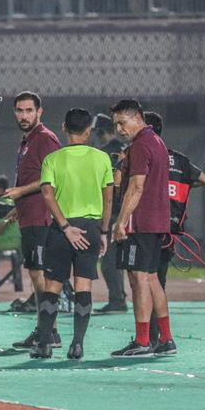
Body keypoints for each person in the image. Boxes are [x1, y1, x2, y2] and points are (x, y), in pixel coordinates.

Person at [30, 108, 113, 360]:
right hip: (90, 227)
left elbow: (47, 194)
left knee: (53, 286)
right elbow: (109, 199)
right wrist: (104, 231)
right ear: (89, 131)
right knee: (83, 285)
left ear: (64, 128)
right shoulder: (102, 159)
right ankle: (77, 344)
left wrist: (65, 226)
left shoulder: (52, 159)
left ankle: (44, 344)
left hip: (60, 228)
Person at [110, 99, 176, 358]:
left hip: (140, 222)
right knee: (151, 279)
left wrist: (121, 221)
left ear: (137, 117)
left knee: (138, 280)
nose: (118, 129)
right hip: (157, 221)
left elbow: (136, 187)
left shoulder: (140, 146)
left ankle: (142, 340)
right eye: (116, 124)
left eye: (121, 122)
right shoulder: (157, 142)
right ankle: (166, 339)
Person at [2, 91, 62, 350]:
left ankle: (47, 332)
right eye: (19, 110)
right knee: (36, 276)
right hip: (29, 214)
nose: (23, 115)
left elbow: (55, 178)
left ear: (40, 112)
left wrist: (20, 192)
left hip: (42, 217)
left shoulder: (45, 139)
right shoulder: (27, 140)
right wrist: (19, 205)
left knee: (41, 277)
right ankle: (47, 330)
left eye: (29, 110)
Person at [143, 111, 205, 347]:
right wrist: (179, 191)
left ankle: (148, 339)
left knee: (144, 283)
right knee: (158, 282)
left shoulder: (143, 154)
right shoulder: (178, 159)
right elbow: (203, 179)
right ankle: (163, 337)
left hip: (148, 229)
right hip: (171, 230)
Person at [93, 113, 129, 314]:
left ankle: (117, 300)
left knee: (109, 261)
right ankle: (120, 298)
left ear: (99, 132)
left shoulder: (104, 154)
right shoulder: (126, 150)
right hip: (130, 212)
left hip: (112, 213)